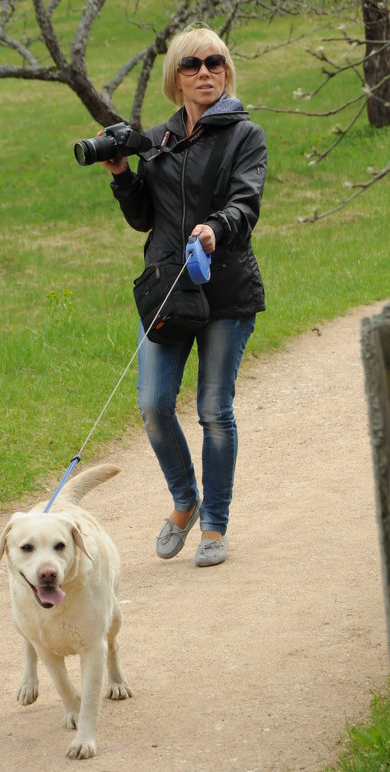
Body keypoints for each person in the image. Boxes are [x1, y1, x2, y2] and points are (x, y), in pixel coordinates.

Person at [101, 24, 267, 567]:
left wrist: (217, 226)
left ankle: (214, 524)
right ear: (176, 76)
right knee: (152, 404)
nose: (205, 73)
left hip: (226, 292)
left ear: (226, 71)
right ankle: (184, 500)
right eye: (193, 65)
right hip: (168, 292)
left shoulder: (246, 136)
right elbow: (144, 217)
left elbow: (246, 202)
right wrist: (123, 174)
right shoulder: (159, 139)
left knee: (214, 410)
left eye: (215, 63)